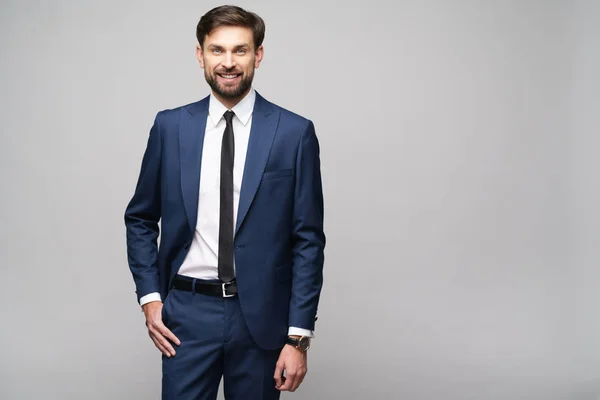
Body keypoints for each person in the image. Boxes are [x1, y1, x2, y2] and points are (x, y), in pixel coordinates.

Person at [124, 5, 325, 399]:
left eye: (240, 50)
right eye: (217, 50)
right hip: (186, 315)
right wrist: (150, 299)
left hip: (262, 321)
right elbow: (141, 218)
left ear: (258, 55)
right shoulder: (170, 127)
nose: (228, 62)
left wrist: (298, 337)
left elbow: (308, 240)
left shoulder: (294, 133)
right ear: (200, 55)